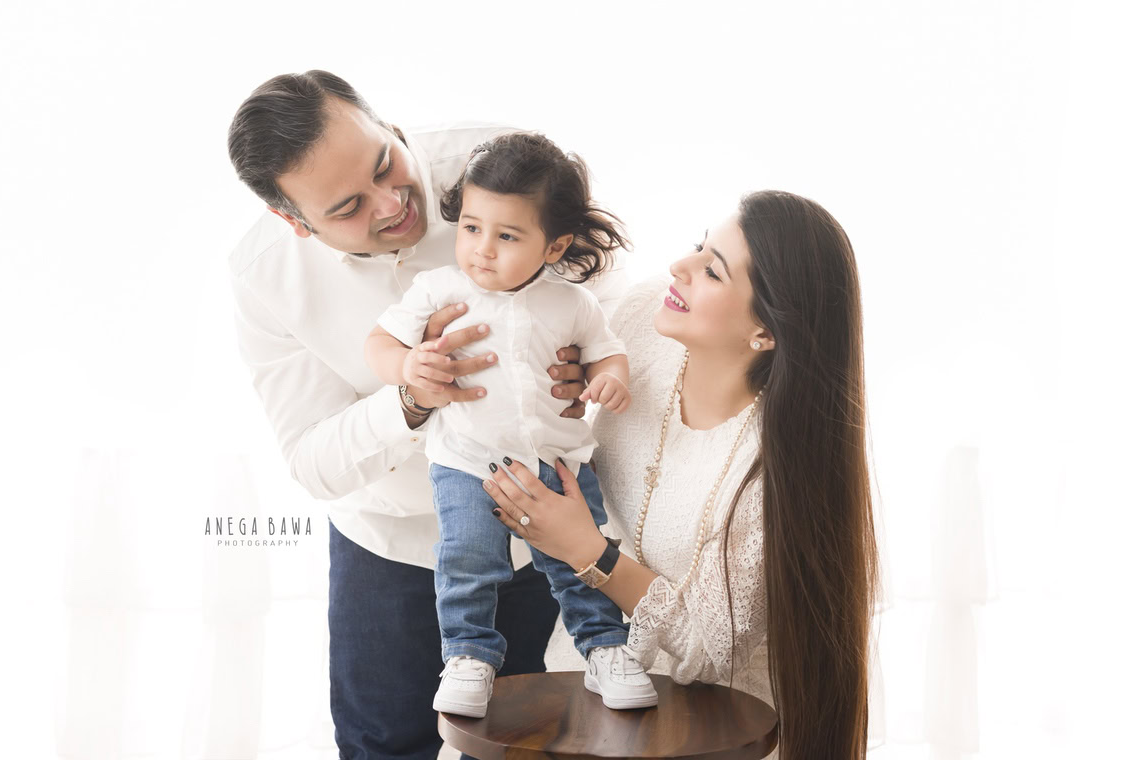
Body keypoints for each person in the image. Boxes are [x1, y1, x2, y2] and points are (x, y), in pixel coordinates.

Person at [225, 71, 625, 759]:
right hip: (392, 539)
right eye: (350, 206)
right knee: (384, 743)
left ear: (385, 123)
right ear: (294, 223)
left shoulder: (499, 165)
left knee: (536, 739)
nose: (392, 203)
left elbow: (601, 272)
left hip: (540, 521)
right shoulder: (264, 278)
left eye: (387, 163)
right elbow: (313, 462)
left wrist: (587, 363)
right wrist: (410, 399)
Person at [483, 191, 880, 760]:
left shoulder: (770, 471)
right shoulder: (644, 324)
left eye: (712, 270)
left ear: (765, 331)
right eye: (699, 246)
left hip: (710, 729)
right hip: (589, 683)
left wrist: (588, 551)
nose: (680, 267)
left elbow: (706, 648)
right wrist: (564, 387)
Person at [364, 132, 656, 719]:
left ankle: (605, 650)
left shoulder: (572, 303)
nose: (482, 250)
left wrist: (612, 379)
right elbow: (379, 343)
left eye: (507, 236)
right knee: (468, 560)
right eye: (471, 228)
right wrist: (407, 366)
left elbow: (607, 352)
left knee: (580, 560)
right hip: (467, 461)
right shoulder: (438, 289)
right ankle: (468, 656)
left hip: (558, 463)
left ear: (556, 245)